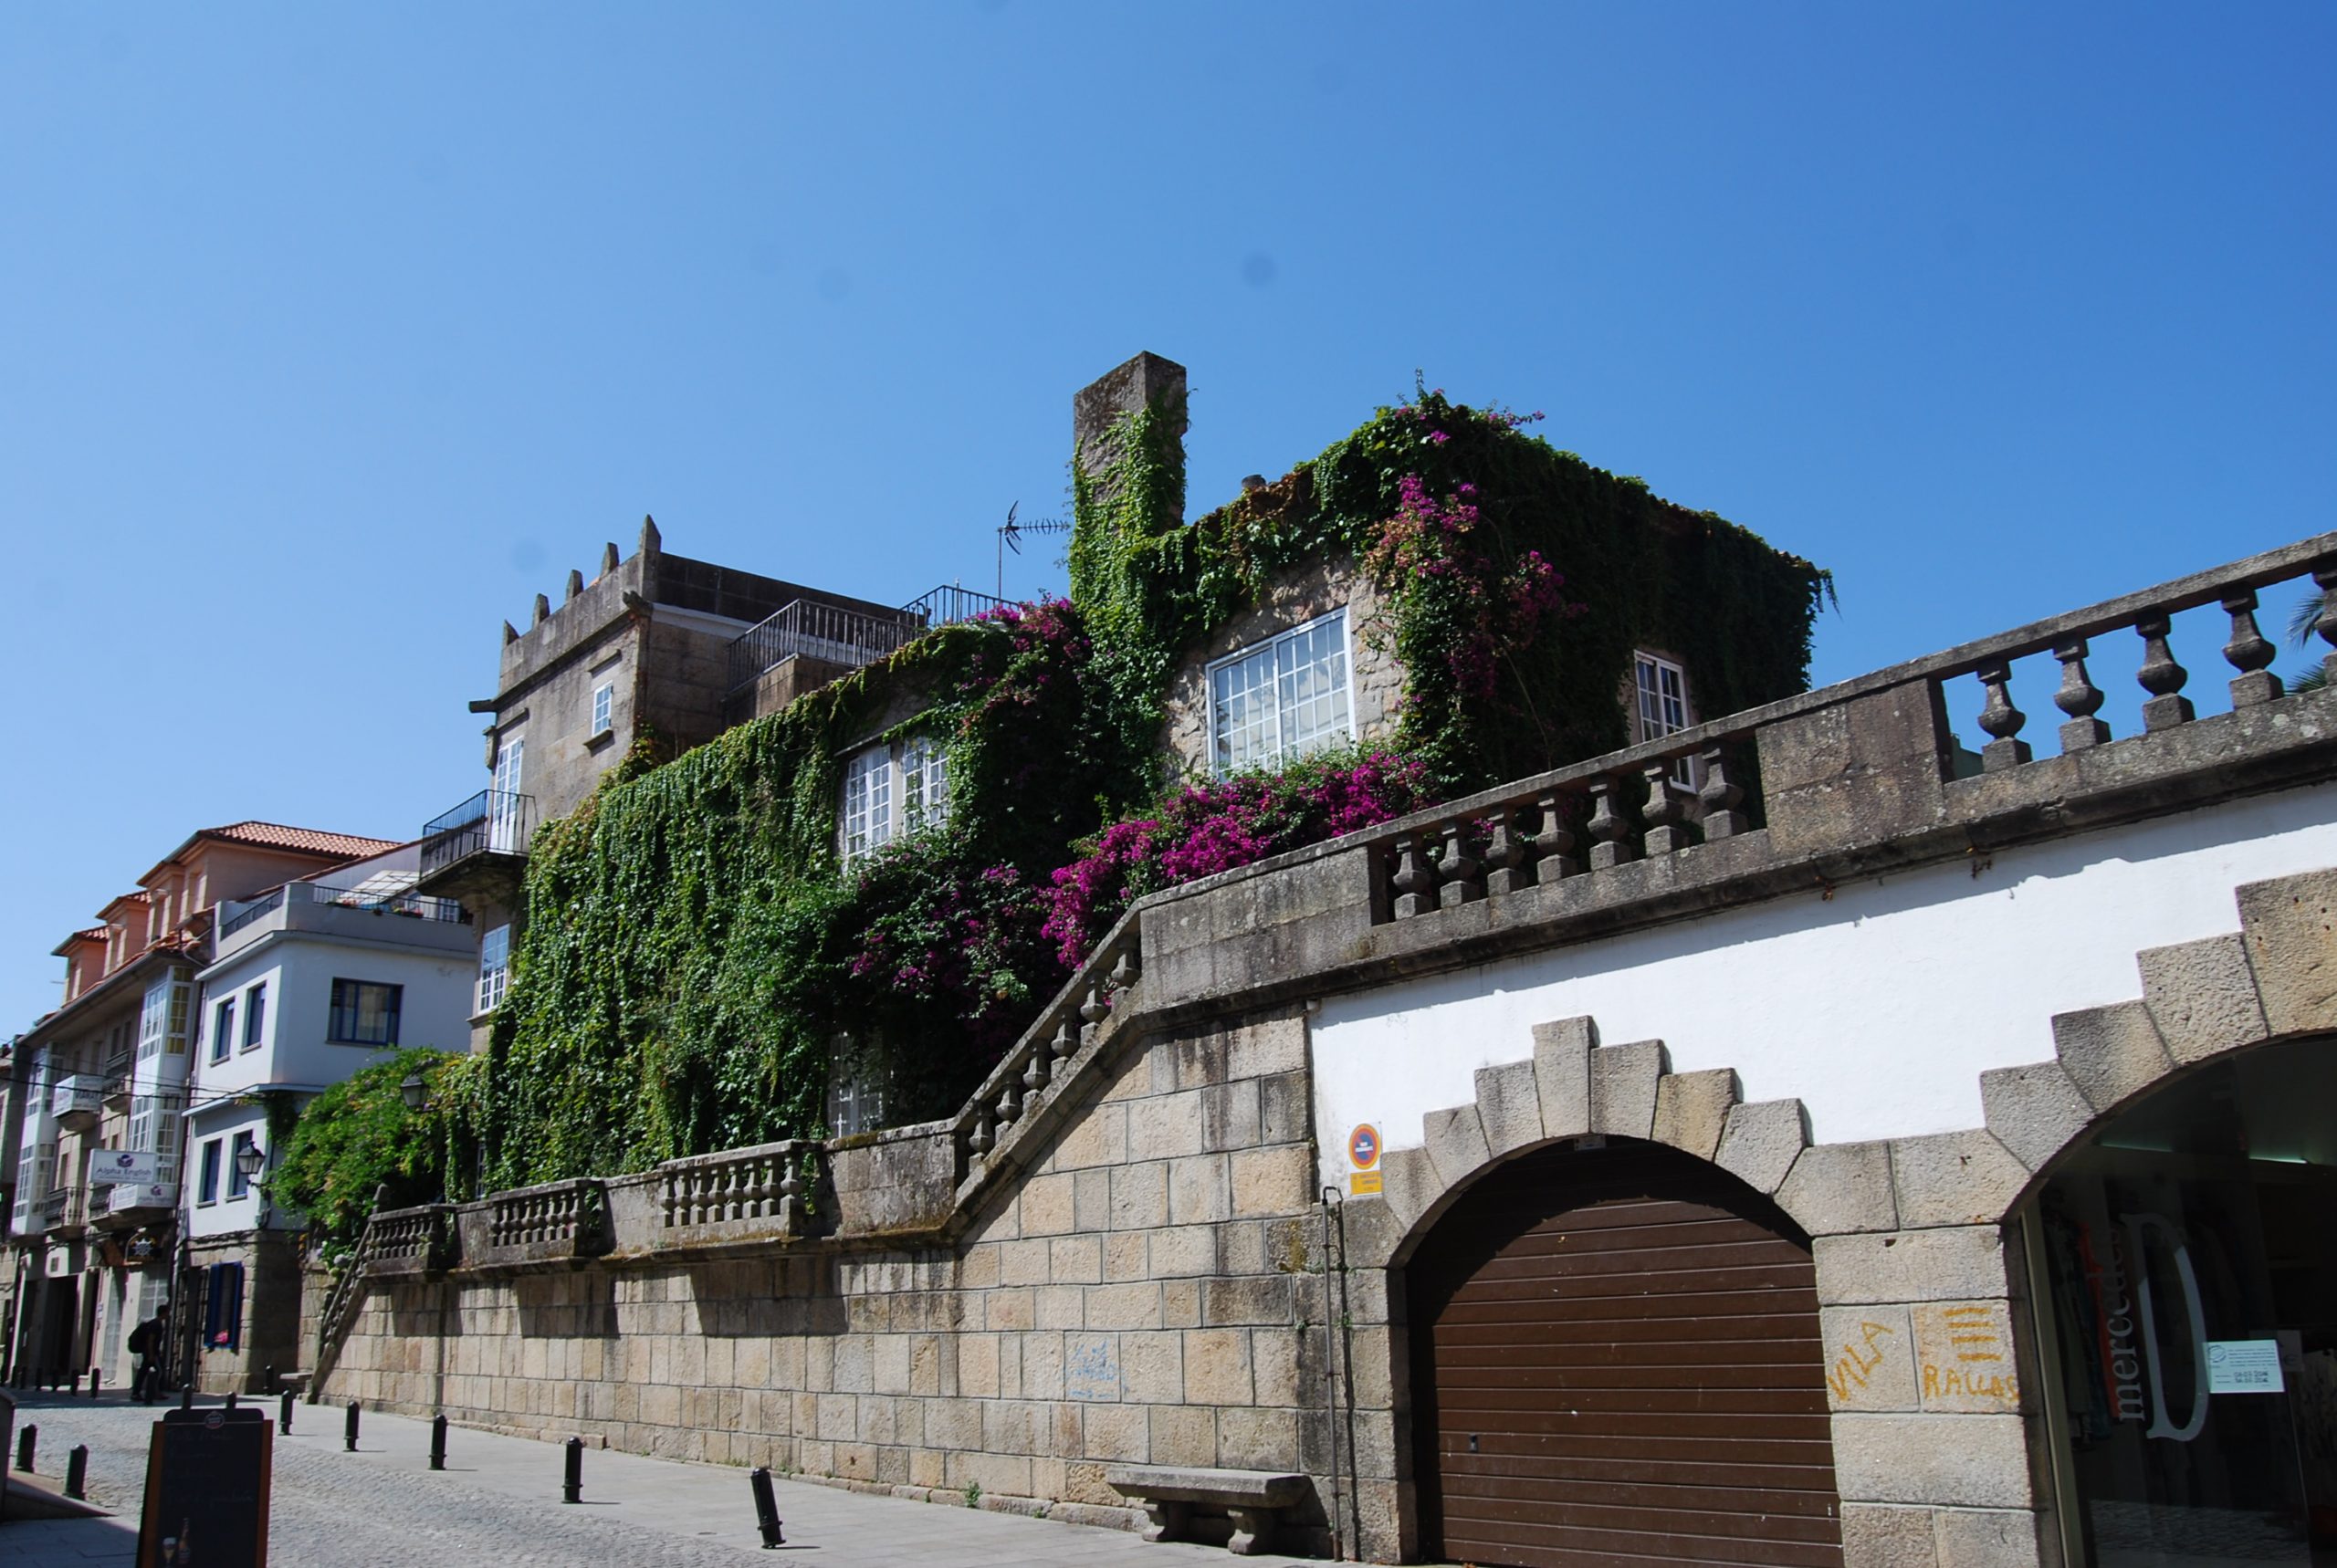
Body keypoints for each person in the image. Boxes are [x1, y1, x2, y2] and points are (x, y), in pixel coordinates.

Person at [127, 1304, 166, 1404]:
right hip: (151, 1353)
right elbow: (150, 1340)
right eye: (167, 1312)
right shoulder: (156, 1324)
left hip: (149, 1352)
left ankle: (138, 1393)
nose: (169, 1314)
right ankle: (153, 1393)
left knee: (143, 1372)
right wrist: (151, 1354)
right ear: (164, 1313)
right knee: (159, 1371)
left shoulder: (155, 1323)